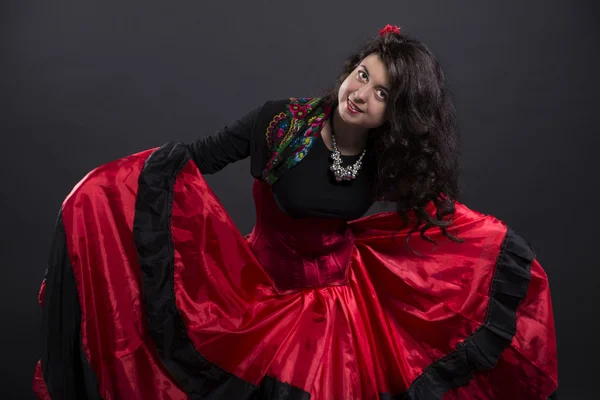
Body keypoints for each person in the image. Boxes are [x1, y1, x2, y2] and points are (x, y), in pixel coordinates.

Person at [33, 25, 558, 399]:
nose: (361, 94)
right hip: (259, 294)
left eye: (381, 93)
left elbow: (434, 217)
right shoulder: (279, 123)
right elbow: (195, 158)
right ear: (348, 71)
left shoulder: (385, 157)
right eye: (361, 75)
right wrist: (104, 187)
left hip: (339, 303)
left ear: (394, 113)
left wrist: (498, 254)